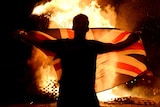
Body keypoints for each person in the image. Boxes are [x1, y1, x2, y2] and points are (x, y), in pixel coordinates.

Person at [14, 14, 140, 107]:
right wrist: (22, 35)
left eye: (83, 23)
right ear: (73, 27)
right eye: (78, 23)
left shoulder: (93, 46)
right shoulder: (63, 44)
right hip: (68, 95)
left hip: (87, 94)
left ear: (87, 28)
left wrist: (133, 38)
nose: (80, 25)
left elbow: (116, 47)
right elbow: (40, 43)